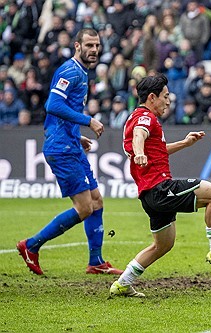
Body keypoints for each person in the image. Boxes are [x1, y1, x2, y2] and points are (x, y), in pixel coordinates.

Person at [109, 73, 211, 297]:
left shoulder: (137, 116)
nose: (168, 101)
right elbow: (139, 135)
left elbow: (157, 149)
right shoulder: (145, 118)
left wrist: (184, 143)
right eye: (165, 96)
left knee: (163, 245)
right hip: (160, 188)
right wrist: (139, 153)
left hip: (149, 195)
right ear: (152, 97)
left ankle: (123, 283)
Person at [16, 28, 123, 276]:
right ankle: (30, 245)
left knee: (96, 201)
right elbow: (52, 105)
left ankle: (95, 261)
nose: (94, 50)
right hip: (61, 149)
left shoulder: (82, 73)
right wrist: (88, 120)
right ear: (77, 46)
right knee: (85, 207)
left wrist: (76, 134)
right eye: (89, 45)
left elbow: (63, 110)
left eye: (97, 46)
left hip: (70, 143)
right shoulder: (69, 71)